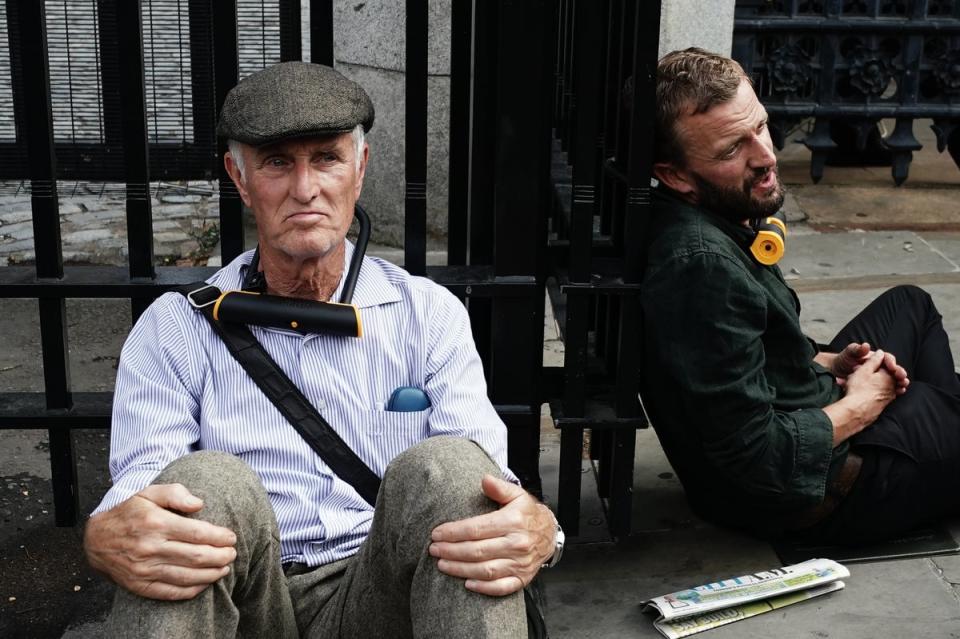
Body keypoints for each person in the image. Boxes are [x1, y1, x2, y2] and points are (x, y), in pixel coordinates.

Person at [83, 61, 560, 638]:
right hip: (246, 597)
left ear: (359, 169)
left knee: (457, 471)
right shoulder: (175, 328)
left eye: (327, 159)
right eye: (278, 163)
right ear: (239, 177)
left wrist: (542, 531)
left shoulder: (427, 314)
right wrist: (107, 530)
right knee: (195, 493)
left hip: (379, 593)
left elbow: (490, 489)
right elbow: (144, 490)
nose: (304, 189)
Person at [641, 47, 960, 545]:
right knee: (922, 400)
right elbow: (753, 455)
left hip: (811, 412)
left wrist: (829, 363)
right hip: (822, 492)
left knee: (910, 303)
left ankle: (934, 443)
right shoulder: (700, 266)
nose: (766, 157)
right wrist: (862, 404)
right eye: (731, 151)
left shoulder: (704, 218)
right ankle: (927, 444)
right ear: (676, 175)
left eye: (761, 128)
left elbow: (746, 350)